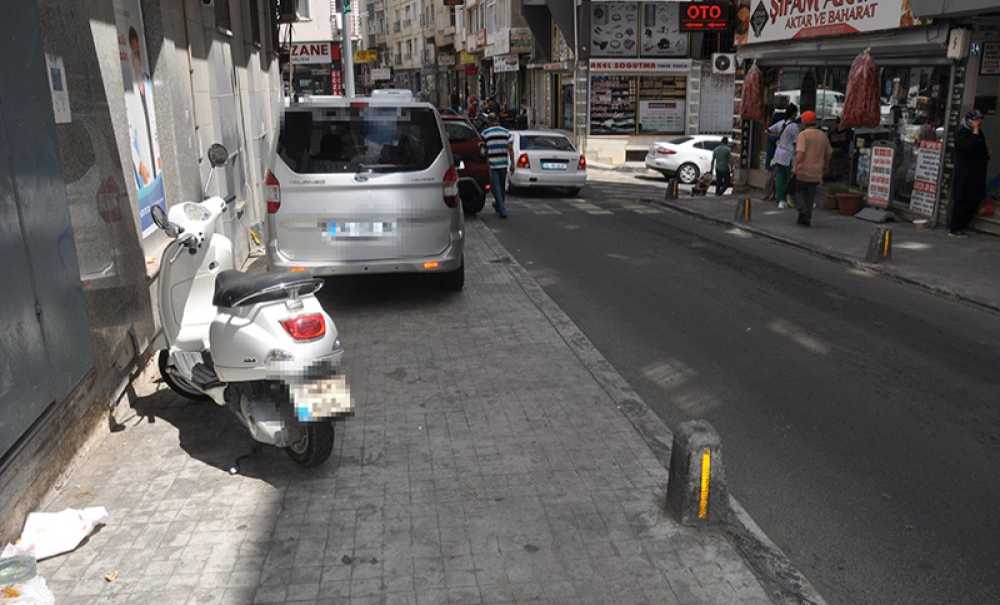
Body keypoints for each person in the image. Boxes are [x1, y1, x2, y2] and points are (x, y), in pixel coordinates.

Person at [948, 110, 990, 236]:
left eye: (979, 120)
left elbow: (981, 147)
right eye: (976, 120)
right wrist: (975, 131)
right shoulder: (962, 133)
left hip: (977, 173)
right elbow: (968, 147)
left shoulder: (979, 133)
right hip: (964, 173)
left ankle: (963, 225)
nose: (979, 122)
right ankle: (955, 228)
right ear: (969, 121)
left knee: (974, 199)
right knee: (962, 199)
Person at [792, 111, 833, 227]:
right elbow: (829, 153)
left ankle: (802, 209)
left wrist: (795, 166)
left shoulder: (803, 135)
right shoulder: (823, 135)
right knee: (810, 196)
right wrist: (826, 166)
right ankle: (805, 219)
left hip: (803, 171)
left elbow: (800, 153)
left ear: (804, 122)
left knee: (797, 193)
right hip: (816, 172)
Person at [767, 104, 799, 208]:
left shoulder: (781, 123)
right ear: (794, 114)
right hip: (788, 155)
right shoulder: (794, 127)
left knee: (780, 177)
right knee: (788, 178)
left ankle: (780, 199)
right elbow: (796, 142)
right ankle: (786, 198)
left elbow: (768, 130)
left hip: (779, 153)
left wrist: (776, 137)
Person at [481, 114, 513, 218]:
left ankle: (502, 209)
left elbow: (483, 150)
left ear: (488, 121)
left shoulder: (485, 133)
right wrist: (512, 163)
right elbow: (510, 149)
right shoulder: (506, 132)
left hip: (492, 165)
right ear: (497, 120)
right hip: (503, 164)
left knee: (496, 188)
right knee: (501, 187)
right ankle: (500, 206)